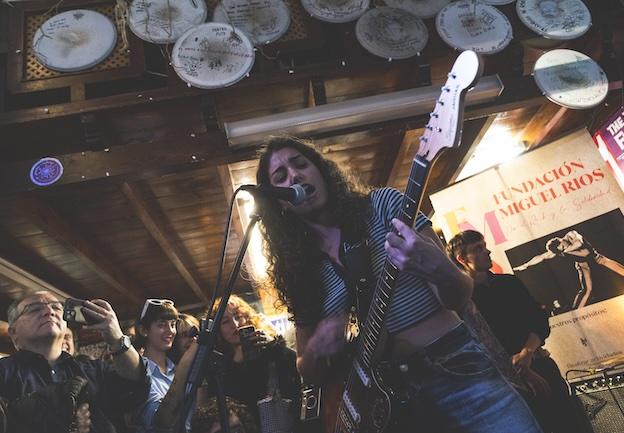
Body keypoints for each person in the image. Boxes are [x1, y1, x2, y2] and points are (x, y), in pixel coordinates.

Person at [254, 137, 542, 433]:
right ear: (281, 204)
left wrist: (441, 269)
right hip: (386, 403)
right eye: (281, 177)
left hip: (454, 368)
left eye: (301, 164)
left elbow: (458, 297)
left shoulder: (382, 206)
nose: (294, 175)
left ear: (322, 171)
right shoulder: (302, 273)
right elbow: (307, 369)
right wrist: (315, 349)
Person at [448, 230, 588, 433]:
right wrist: (522, 370)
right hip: (505, 381)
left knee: (570, 422)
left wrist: (527, 353)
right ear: (462, 259)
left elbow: (538, 320)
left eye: (484, 245)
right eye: (478, 249)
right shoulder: (463, 301)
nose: (487, 251)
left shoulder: (509, 283)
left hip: (540, 363)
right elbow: (479, 344)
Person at [0, 290, 149, 433]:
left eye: (57, 307)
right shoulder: (4, 371)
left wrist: (117, 338)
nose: (49, 311)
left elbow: (134, 387)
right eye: (34, 309)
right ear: (14, 333)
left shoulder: (94, 369)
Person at [201, 295, 302, 433]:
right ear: (218, 329)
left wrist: (275, 346)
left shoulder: (271, 349)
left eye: (238, 316)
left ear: (248, 317)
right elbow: (223, 404)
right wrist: (236, 364)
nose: (235, 325)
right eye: (225, 322)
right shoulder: (217, 363)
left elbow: (295, 368)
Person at [513, 230, 624, 308]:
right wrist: (525, 265)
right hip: (583, 265)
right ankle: (577, 311)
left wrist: (566, 250)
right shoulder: (559, 249)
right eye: (561, 250)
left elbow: (581, 244)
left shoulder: (570, 235)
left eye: (562, 247)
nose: (564, 249)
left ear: (560, 240)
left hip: (597, 258)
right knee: (587, 290)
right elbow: (541, 256)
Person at [134, 298, 196, 433]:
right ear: (143, 330)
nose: (170, 331)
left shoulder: (174, 368)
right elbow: (160, 420)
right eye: (161, 325)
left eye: (173, 325)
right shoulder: (140, 373)